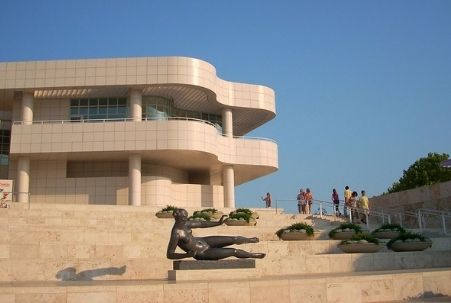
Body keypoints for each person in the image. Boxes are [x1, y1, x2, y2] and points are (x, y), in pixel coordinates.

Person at [166, 208, 266, 260]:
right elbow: (170, 255)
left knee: (234, 239)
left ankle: (249, 240)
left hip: (204, 241)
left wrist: (218, 223)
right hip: (201, 253)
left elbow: (202, 224)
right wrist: (186, 255)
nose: (186, 218)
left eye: (186, 216)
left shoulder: (186, 224)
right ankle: (253, 255)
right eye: (184, 217)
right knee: (234, 251)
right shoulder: (176, 234)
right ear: (178, 218)